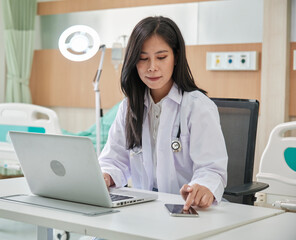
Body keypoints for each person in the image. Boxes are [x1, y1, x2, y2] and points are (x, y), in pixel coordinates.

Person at [98, 16, 228, 211]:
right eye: (143, 58)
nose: (152, 67)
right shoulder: (129, 107)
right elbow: (114, 160)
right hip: (144, 208)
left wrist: (202, 188)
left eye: (161, 57)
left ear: (176, 57)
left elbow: (211, 169)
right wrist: (105, 175)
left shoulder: (197, 107)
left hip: (186, 210)